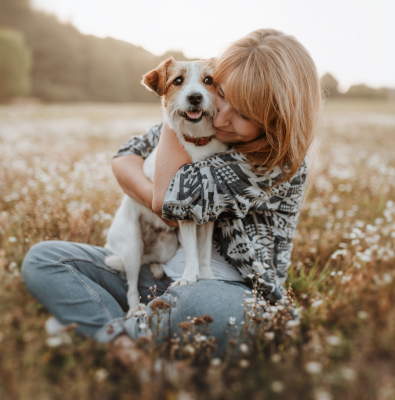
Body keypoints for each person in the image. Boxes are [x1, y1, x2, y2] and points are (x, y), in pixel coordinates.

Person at [21, 29, 322, 360]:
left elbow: (171, 201)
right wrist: (175, 108)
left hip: (223, 290)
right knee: (43, 259)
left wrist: (172, 124)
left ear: (276, 119)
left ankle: (105, 330)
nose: (221, 116)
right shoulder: (200, 115)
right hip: (159, 270)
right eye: (221, 93)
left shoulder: (278, 160)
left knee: (213, 310)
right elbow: (124, 158)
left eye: (244, 114)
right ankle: (133, 333)